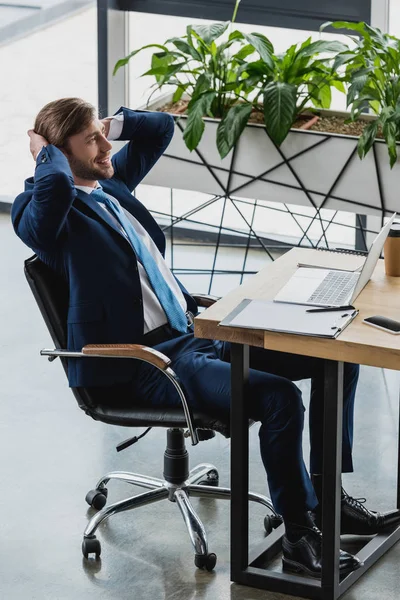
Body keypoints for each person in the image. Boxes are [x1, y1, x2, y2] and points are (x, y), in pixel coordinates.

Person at [12, 98, 400, 578]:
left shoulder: (109, 185)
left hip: (191, 335)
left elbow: (160, 130)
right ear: (57, 152)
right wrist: (43, 153)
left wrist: (107, 124)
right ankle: (301, 539)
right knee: (278, 399)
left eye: (102, 133)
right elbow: (49, 191)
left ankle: (328, 503)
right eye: (91, 139)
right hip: (147, 362)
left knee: (331, 360)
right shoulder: (43, 213)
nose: (106, 144)